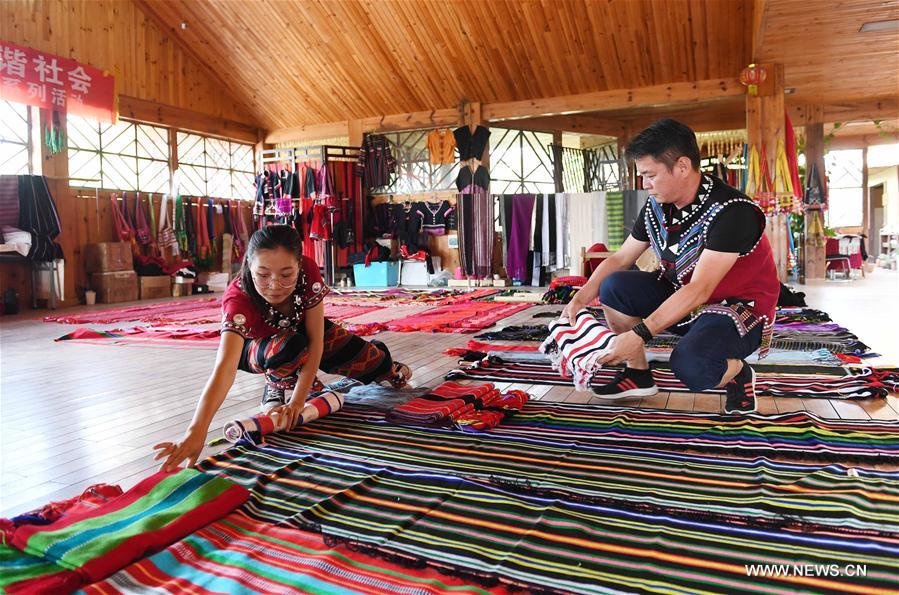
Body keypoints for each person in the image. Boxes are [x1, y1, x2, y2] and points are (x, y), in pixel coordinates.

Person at [562, 119, 779, 414]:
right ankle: (637, 374)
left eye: (650, 175)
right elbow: (620, 258)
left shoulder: (734, 212)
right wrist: (580, 297)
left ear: (682, 166)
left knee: (692, 365)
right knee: (614, 285)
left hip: (737, 311)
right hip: (684, 297)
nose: (644, 184)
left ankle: (738, 373)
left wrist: (638, 333)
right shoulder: (656, 205)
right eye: (642, 176)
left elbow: (701, 289)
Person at [154, 225, 411, 471]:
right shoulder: (238, 298)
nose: (274, 285)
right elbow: (225, 368)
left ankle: (383, 361)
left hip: (303, 339)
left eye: (286, 275)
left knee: (377, 365)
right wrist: (196, 431)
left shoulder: (309, 272)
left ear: (300, 266)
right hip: (257, 350)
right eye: (263, 275)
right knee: (289, 345)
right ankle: (276, 386)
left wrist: (298, 402)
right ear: (248, 267)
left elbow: (317, 339)